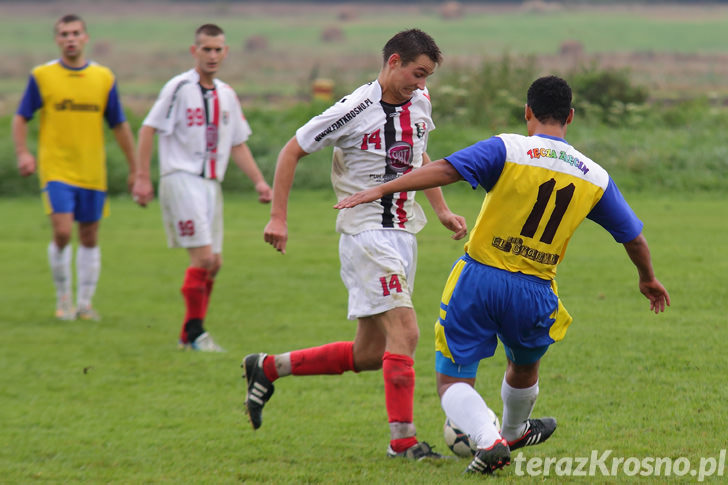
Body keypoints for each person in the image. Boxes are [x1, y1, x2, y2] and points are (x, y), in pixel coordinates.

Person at [334, 75, 670, 474]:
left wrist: (381, 189)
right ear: (571, 117)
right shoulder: (594, 176)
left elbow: (443, 170)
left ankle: (489, 439)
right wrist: (647, 278)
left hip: (479, 279)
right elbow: (633, 237)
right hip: (537, 290)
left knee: (453, 380)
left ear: (528, 112)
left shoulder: (509, 148)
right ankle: (511, 431)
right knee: (524, 367)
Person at [243, 28, 467, 460]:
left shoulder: (420, 102)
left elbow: (419, 155)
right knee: (406, 331)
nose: (421, 85)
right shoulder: (355, 108)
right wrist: (278, 217)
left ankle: (269, 367)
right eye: (417, 74)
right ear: (394, 61)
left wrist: (440, 209)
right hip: (365, 233)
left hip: (403, 232)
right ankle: (402, 442)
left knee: (370, 353)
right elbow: (292, 150)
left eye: (427, 78)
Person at [135, 24, 272, 352]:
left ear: (225, 52)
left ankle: (189, 335)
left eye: (217, 49)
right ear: (194, 51)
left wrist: (259, 181)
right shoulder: (179, 87)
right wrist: (141, 177)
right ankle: (195, 334)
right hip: (181, 178)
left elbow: (237, 143)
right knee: (204, 258)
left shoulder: (226, 93)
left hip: (211, 184)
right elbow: (148, 128)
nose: (212, 55)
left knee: (215, 262)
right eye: (206, 49)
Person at [12, 14, 142, 321]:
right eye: (64, 34)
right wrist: (22, 153)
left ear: (86, 38)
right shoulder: (42, 76)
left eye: (75, 33)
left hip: (92, 171)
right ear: (57, 40)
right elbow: (20, 117)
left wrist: (136, 168)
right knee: (61, 231)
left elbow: (119, 125)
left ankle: (85, 304)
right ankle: (63, 299)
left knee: (89, 236)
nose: (70, 38)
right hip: (56, 169)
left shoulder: (103, 78)